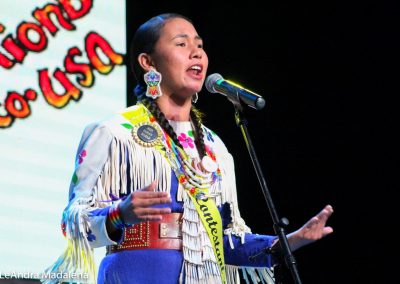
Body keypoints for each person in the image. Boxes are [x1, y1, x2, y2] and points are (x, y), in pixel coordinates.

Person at [43, 13, 334, 284]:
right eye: (181, 43)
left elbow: (227, 240)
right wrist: (120, 213)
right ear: (148, 62)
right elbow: (72, 223)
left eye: (200, 45)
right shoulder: (114, 133)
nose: (196, 52)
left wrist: (289, 242)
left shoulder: (214, 146)